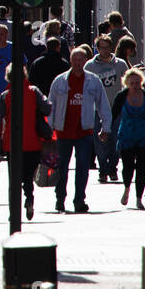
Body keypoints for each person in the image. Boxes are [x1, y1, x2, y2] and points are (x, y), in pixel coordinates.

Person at [46, 44, 113, 213]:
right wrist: (48, 130)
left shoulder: (93, 80)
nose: (77, 63)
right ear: (70, 60)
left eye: (80, 59)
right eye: (74, 59)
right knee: (62, 168)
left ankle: (79, 200)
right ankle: (60, 199)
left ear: (85, 61)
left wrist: (106, 127)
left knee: (83, 167)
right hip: (63, 131)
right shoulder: (60, 80)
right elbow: (50, 106)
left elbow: (103, 105)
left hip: (84, 131)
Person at [0, 63, 51, 221]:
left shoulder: (5, 95)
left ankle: (13, 212)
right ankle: (29, 197)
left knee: (14, 179)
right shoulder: (34, 91)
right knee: (28, 176)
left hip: (12, 142)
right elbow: (47, 108)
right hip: (32, 141)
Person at [113, 67, 145, 209]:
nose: (134, 86)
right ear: (127, 83)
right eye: (132, 83)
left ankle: (139, 198)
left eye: (137, 83)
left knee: (142, 167)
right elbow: (113, 113)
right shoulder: (121, 96)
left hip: (144, 135)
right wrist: (106, 130)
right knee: (128, 166)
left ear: (141, 82)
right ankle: (127, 187)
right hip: (127, 135)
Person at [86, 35, 130, 184]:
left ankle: (113, 167)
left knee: (115, 140)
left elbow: (127, 84)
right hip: (97, 110)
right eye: (101, 47)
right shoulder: (90, 66)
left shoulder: (120, 64)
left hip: (116, 109)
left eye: (107, 47)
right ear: (97, 49)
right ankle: (103, 169)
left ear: (111, 48)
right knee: (100, 142)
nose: (104, 50)